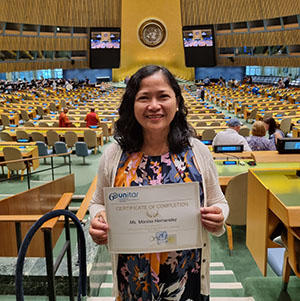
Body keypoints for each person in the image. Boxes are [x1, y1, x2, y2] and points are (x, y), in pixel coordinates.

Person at [89, 65, 229, 300]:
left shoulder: (198, 152)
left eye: (163, 96)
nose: (154, 106)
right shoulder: (114, 155)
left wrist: (219, 217)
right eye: (144, 98)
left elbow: (219, 201)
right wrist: (97, 219)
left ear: (176, 100)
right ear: (132, 104)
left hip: (186, 279)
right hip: (132, 279)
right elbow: (97, 202)